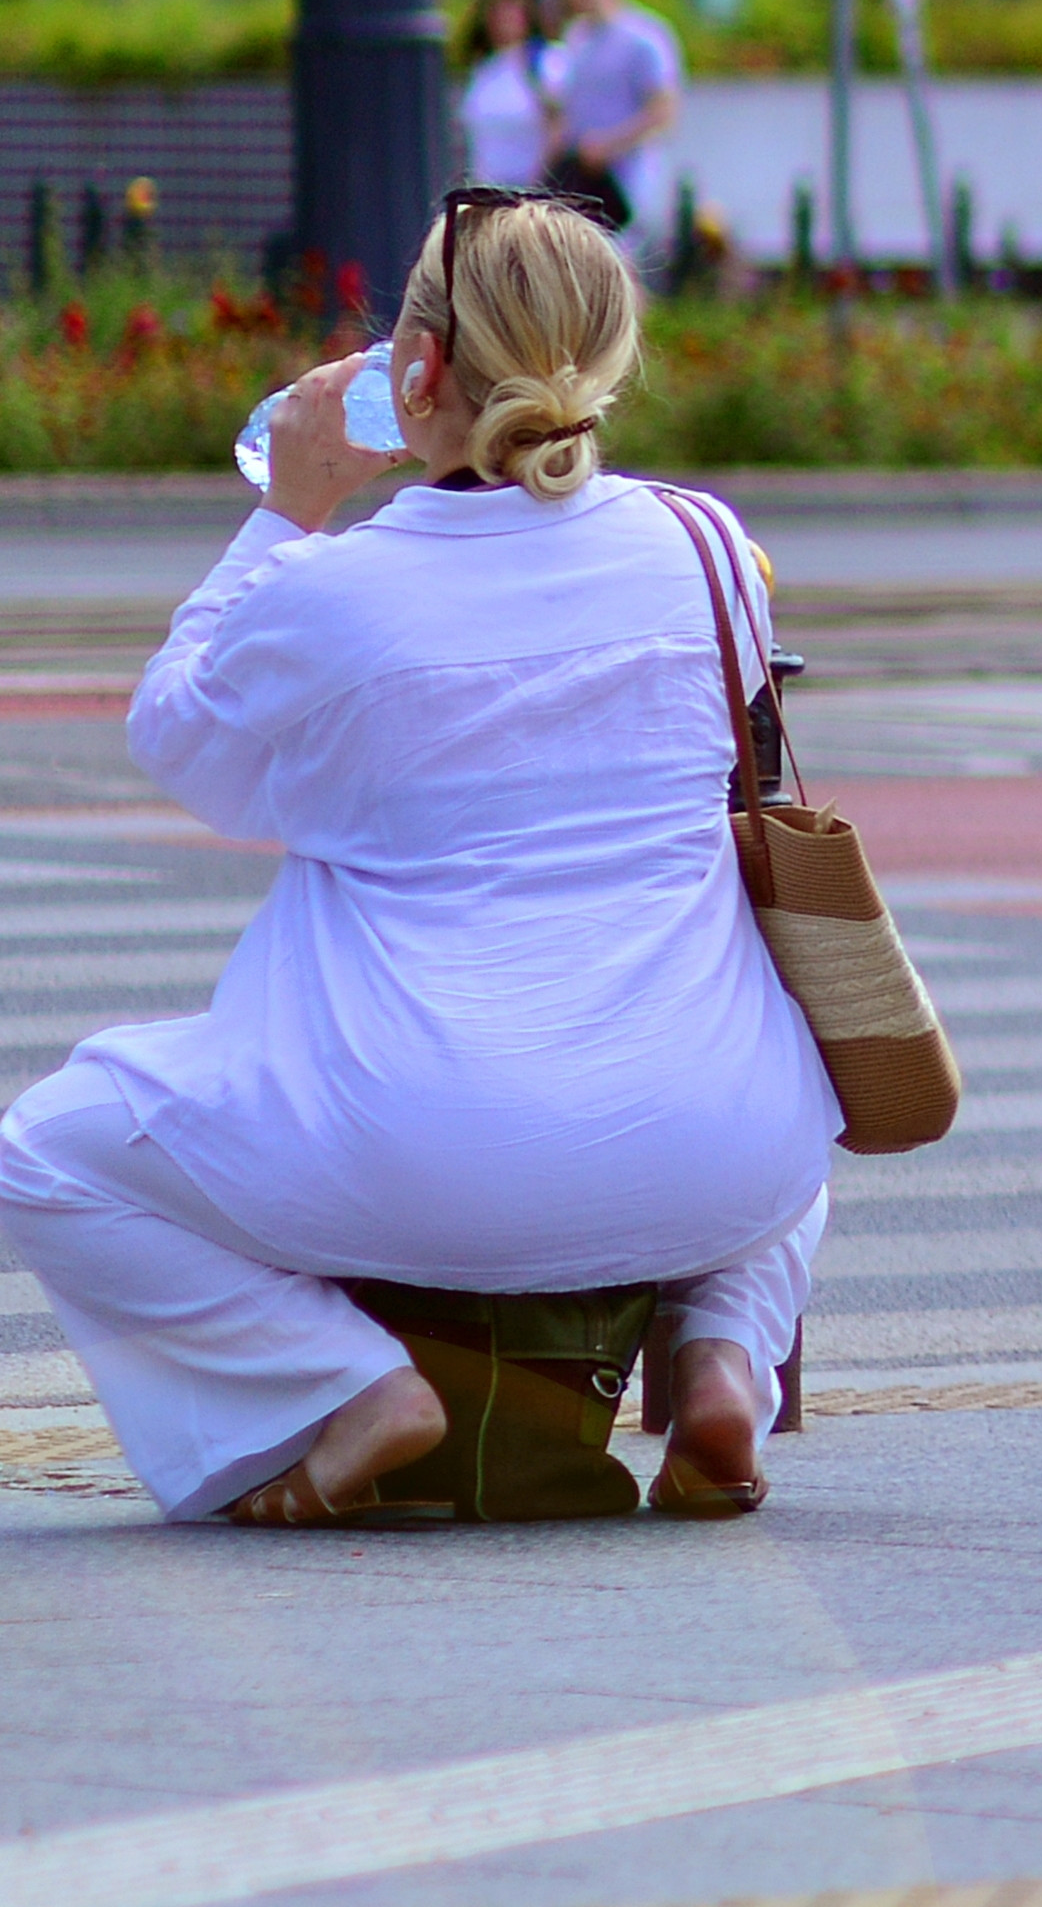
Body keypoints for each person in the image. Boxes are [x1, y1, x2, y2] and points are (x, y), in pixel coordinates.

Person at [0, 195, 832, 1522]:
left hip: (415, 1159)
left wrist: (289, 509)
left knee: (43, 1150)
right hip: (714, 1154)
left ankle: (343, 1385)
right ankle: (725, 1349)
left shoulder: (341, 587)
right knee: (785, 1072)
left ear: (418, 372)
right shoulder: (708, 547)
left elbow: (181, 741)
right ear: (609, 359)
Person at [543, 0, 687, 267]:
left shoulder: (645, 38)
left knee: (623, 260)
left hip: (627, 175)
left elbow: (663, 111)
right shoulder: (577, 37)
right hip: (584, 173)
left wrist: (609, 145)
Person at [455, 0, 561, 196]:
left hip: (533, 190)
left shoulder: (545, 62)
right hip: (489, 188)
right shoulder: (482, 70)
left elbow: (560, 122)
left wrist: (542, 179)